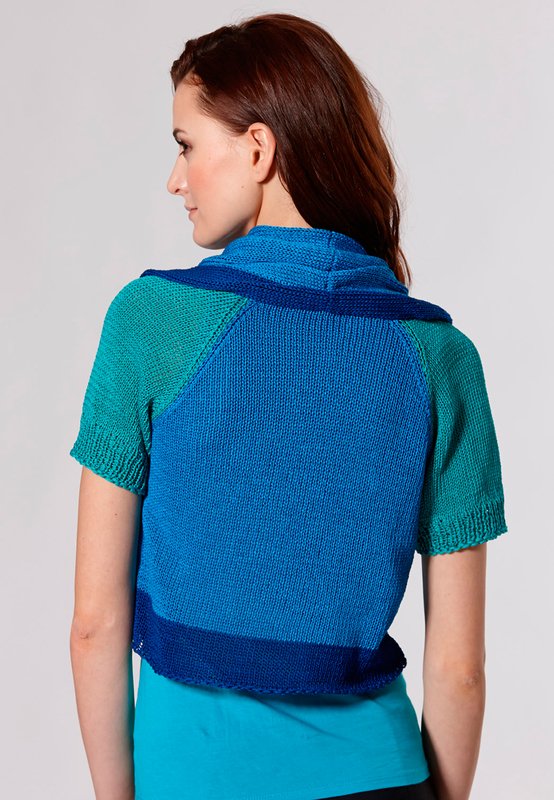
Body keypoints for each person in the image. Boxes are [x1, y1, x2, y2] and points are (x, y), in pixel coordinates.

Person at [68, 12, 508, 800]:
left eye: (185, 145)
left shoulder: (152, 324)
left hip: (192, 775)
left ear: (258, 149)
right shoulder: (442, 359)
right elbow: (460, 669)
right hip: (380, 776)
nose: (175, 179)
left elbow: (95, 624)